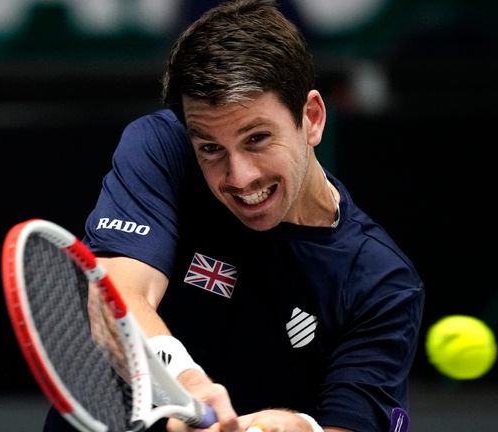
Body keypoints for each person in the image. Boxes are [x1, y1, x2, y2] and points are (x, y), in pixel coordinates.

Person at [44, 1, 424, 431]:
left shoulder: (380, 282)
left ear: (312, 118)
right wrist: (184, 381)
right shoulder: (162, 149)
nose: (240, 178)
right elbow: (114, 296)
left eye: (257, 138)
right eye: (210, 148)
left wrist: (298, 427)